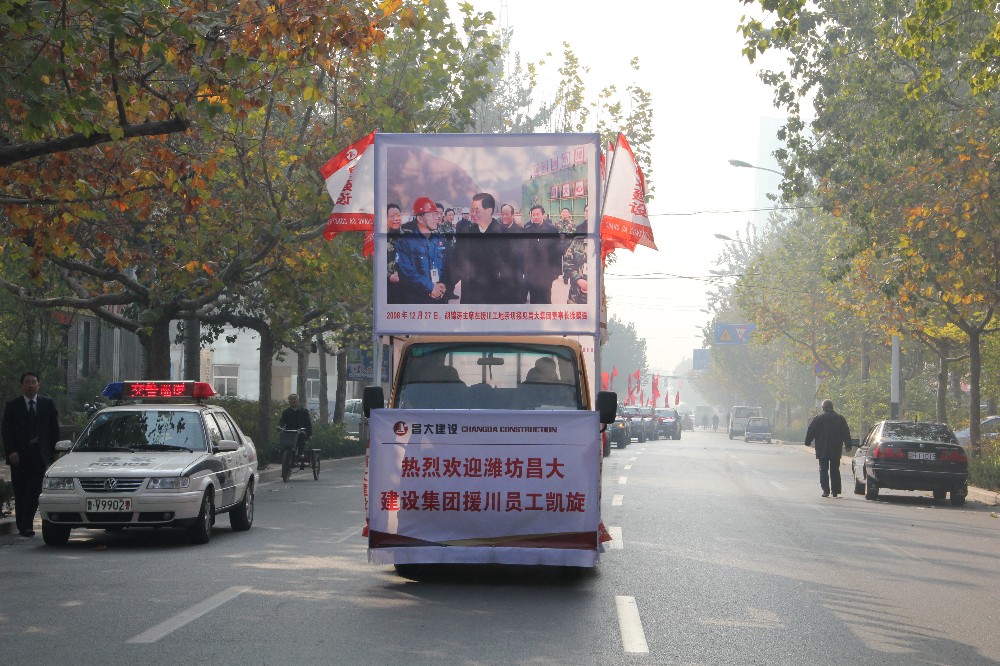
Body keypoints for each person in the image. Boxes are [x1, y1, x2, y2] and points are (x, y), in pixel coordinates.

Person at [2, 372, 61, 537]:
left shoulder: (47, 404)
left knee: (34, 491)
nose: (31, 385)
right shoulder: (12, 405)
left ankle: (27, 525)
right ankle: (22, 524)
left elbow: (54, 430)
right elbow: (6, 431)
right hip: (19, 456)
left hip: (39, 455)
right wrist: (11, 451)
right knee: (20, 490)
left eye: (34, 382)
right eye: (27, 382)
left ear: (38, 385)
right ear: (22, 385)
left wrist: (55, 452)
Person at [452, 192, 506, 304]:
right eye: (472, 210)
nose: (472, 214)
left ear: (489, 210)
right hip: (470, 297)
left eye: (476, 210)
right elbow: (456, 263)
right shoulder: (465, 234)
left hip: (494, 297)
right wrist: (445, 285)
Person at [395, 196, 450, 303]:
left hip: (440, 298)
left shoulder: (440, 240)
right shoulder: (405, 243)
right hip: (417, 300)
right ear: (420, 218)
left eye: (437, 214)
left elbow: (447, 266)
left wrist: (444, 285)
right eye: (432, 215)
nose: (437, 217)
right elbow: (407, 274)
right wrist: (431, 287)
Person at [804, 398, 853, 498]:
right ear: (832, 407)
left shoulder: (818, 418)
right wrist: (848, 445)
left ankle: (826, 490)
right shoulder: (840, 418)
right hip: (835, 448)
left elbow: (811, 430)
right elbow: (846, 432)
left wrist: (808, 441)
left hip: (822, 448)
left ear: (823, 408)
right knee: (835, 469)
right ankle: (835, 491)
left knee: (823, 469)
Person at [522, 204, 564, 304]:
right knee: (534, 298)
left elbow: (557, 251)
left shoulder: (552, 229)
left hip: (547, 270)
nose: (535, 217)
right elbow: (524, 251)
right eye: (533, 215)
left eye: (538, 214)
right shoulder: (527, 230)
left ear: (543, 215)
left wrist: (557, 271)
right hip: (532, 272)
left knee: (546, 297)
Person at [278, 393, 312, 459]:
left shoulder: (304, 411)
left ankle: (300, 453)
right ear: (289, 401)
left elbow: (308, 424)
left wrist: (310, 434)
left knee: (302, 435)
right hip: (289, 432)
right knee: (283, 438)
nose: (293, 401)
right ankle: (283, 454)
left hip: (301, 432)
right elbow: (282, 421)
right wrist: (279, 426)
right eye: (291, 399)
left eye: (294, 399)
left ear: (297, 400)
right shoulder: (286, 412)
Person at [386, 203, 403, 304]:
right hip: (387, 289)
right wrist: (389, 276)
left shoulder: (408, 237)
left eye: (398, 215)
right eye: (392, 216)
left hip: (407, 288)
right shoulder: (379, 239)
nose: (396, 219)